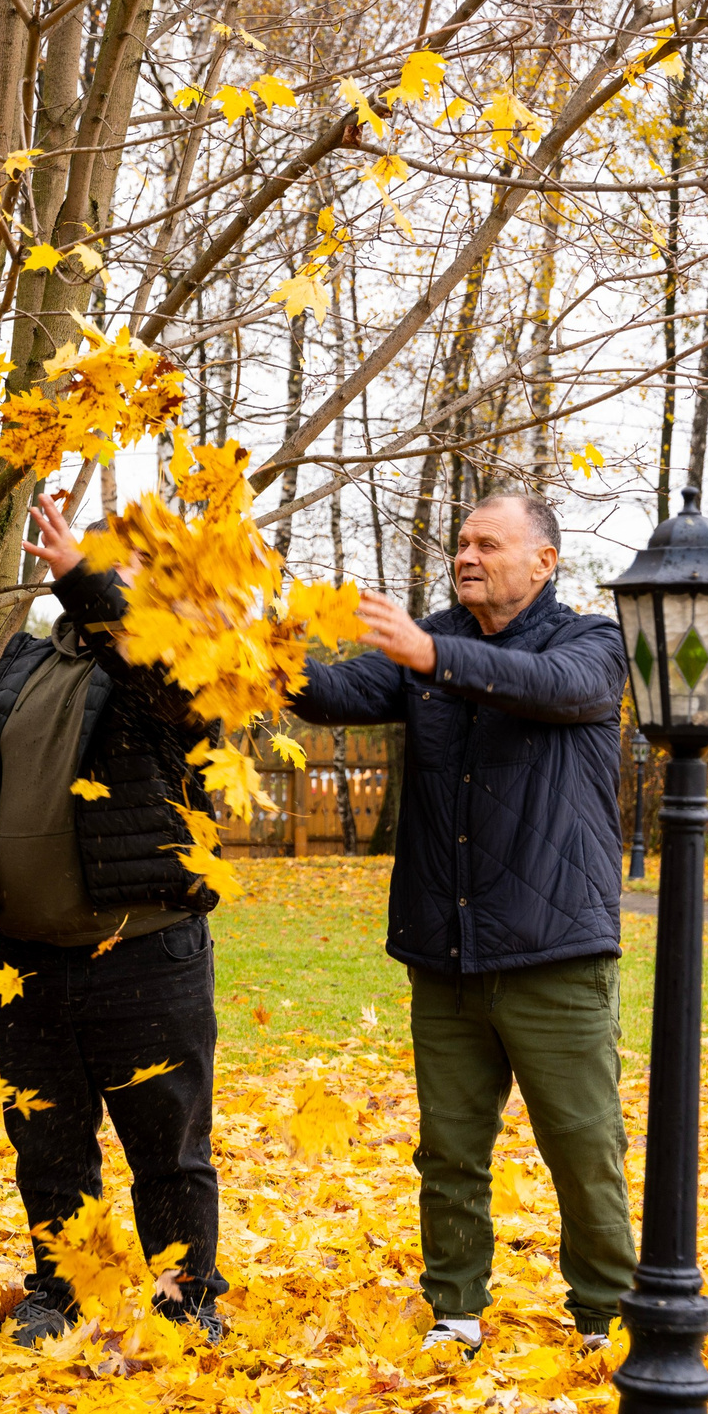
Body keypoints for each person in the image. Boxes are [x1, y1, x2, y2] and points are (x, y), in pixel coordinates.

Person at [291, 491, 632, 1356]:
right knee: (448, 1151)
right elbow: (329, 691)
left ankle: (606, 1317)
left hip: (554, 952)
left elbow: (550, 688)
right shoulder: (431, 643)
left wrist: (432, 652)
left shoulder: (590, 642)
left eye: (488, 542)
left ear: (544, 561)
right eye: (460, 542)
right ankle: (455, 1309)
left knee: (584, 1148)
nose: (466, 555)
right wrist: (244, 640)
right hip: (445, 953)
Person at [0, 492, 228, 1346]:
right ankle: (59, 1290)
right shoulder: (20, 661)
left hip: (143, 951)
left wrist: (90, 587)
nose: (99, 575)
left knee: (166, 1139)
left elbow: (166, 688)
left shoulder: (178, 661)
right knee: (47, 1138)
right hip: (28, 959)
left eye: (119, 565)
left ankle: (186, 1296)